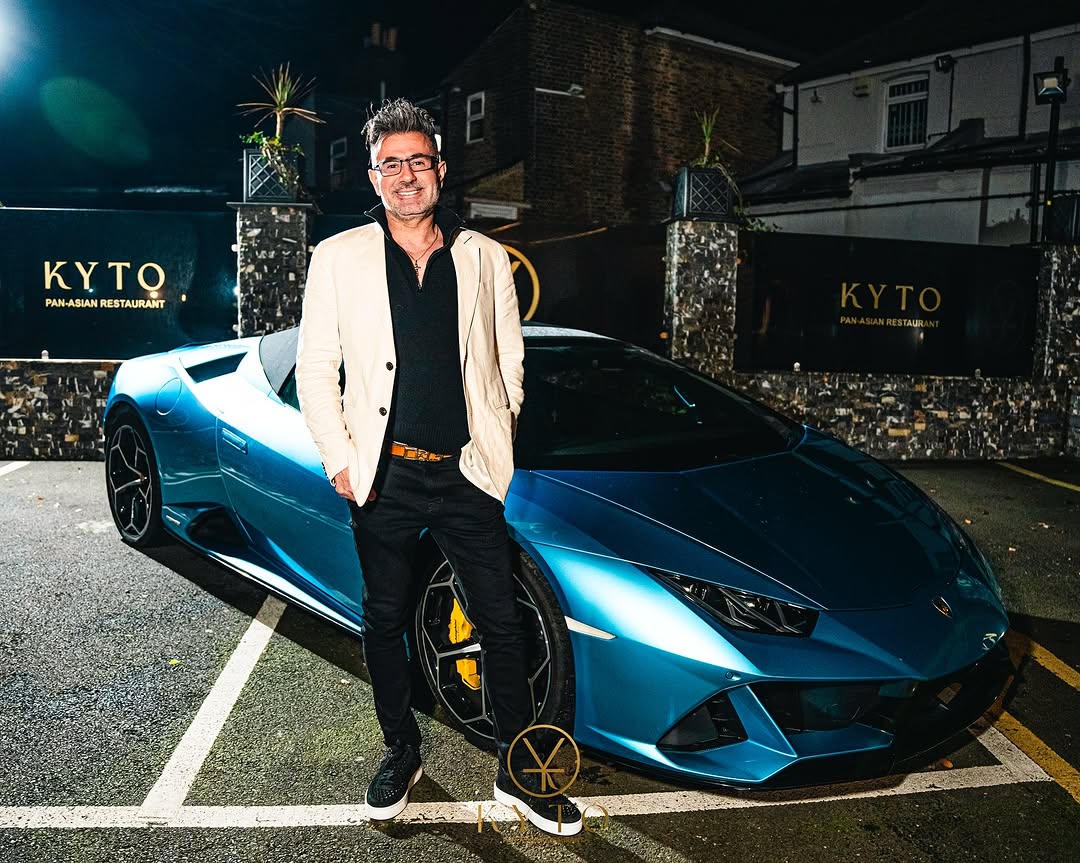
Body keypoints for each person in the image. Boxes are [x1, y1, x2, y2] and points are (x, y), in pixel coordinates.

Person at [295, 98, 582, 836]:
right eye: (390, 163)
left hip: (466, 472)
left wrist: (499, 436)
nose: (405, 175)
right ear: (373, 175)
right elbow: (316, 368)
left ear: (440, 169)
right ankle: (402, 750)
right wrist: (340, 461)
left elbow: (509, 361)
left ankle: (520, 770)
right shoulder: (338, 257)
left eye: (417, 161)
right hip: (382, 476)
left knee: (502, 622)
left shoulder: (485, 257)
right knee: (384, 618)